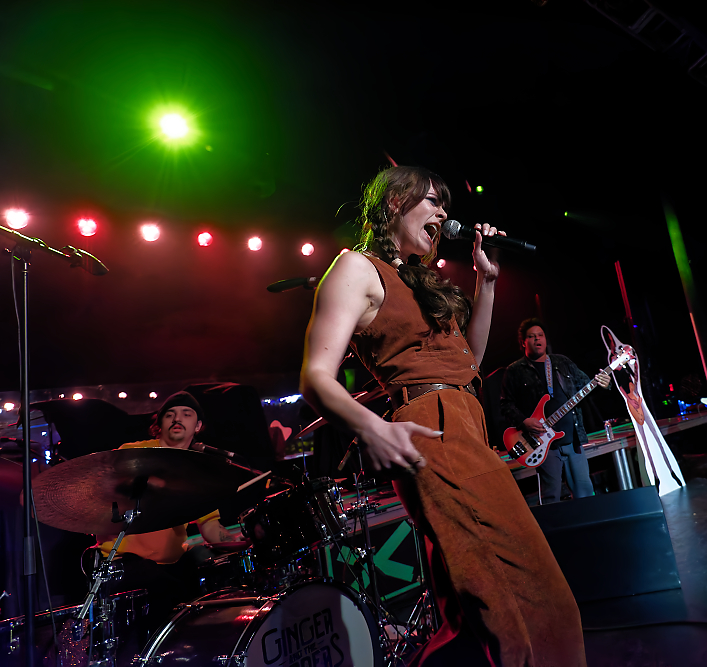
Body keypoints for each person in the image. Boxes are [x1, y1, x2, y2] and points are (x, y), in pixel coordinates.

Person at [300, 166, 586, 667]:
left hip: (466, 420)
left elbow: (469, 367)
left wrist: (487, 283)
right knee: (532, 602)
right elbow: (316, 375)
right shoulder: (355, 268)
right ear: (393, 204)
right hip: (432, 422)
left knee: (473, 608)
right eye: (431, 201)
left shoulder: (423, 280)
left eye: (443, 204)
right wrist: (374, 426)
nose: (442, 212)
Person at [95, 391, 240, 618]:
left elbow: (210, 528)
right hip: (125, 564)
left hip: (172, 566)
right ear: (159, 425)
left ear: (198, 426)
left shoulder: (197, 472)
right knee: (164, 588)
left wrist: (240, 540)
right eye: (169, 414)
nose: (177, 418)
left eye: (186, 414)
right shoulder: (134, 451)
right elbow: (109, 487)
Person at [499, 318, 610, 504]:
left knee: (586, 495)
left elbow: (587, 387)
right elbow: (505, 405)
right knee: (551, 499)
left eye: (540, 335)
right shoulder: (514, 371)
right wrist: (524, 421)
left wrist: (603, 385)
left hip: (573, 440)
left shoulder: (562, 362)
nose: (537, 339)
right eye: (531, 336)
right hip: (544, 445)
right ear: (523, 342)